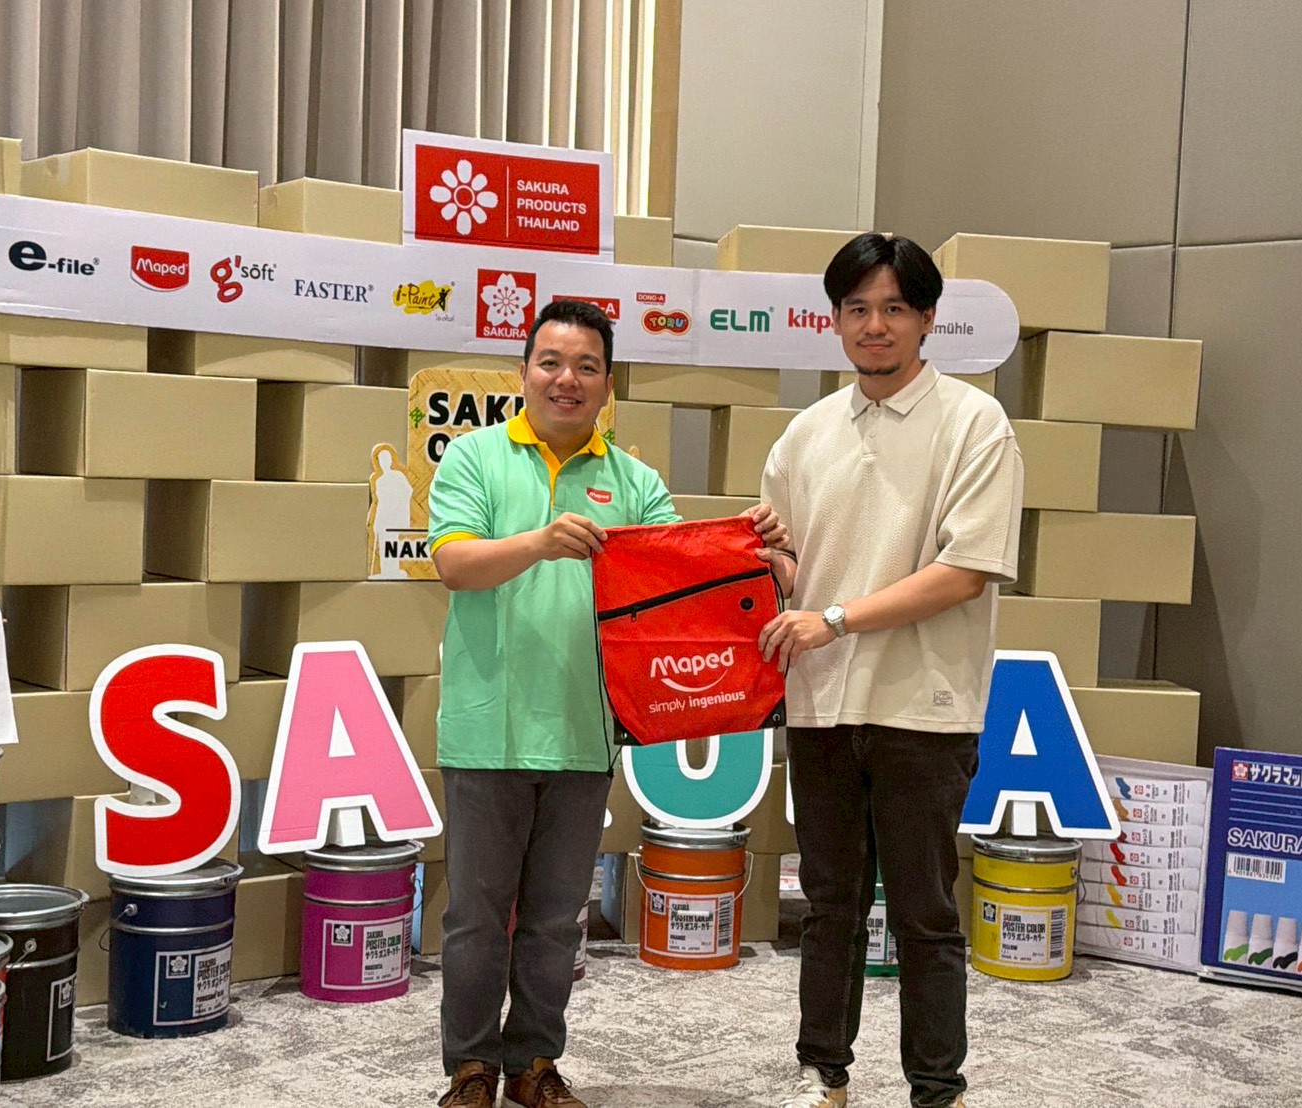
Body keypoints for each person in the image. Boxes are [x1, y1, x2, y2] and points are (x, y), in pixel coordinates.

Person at [427, 298, 786, 1108]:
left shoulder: (632, 481)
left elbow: (682, 575)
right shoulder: (475, 458)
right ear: (524, 373)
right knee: (475, 918)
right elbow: (454, 564)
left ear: (607, 383)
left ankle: (534, 1065)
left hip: (587, 732)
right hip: (487, 729)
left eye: (586, 366)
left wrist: (753, 543)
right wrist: (538, 542)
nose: (567, 379)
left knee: (558, 919)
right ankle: (469, 1068)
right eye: (551, 362)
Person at [757, 233, 1023, 1108]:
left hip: (925, 708)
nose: (875, 326)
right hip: (822, 704)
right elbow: (797, 571)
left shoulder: (974, 423)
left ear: (927, 318)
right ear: (834, 321)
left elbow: (965, 571)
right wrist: (769, 564)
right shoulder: (804, 435)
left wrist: (833, 618)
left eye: (894, 308)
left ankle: (935, 1089)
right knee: (827, 905)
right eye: (857, 309)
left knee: (924, 913)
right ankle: (822, 1075)